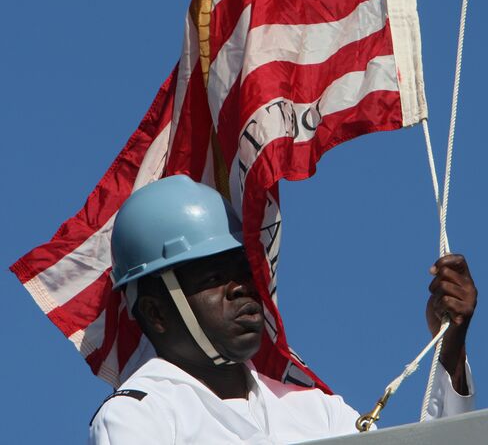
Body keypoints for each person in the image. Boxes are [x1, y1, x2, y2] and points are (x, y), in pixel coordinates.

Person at [89, 175, 477, 444]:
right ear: (157, 314)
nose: (241, 287)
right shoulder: (139, 416)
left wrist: (453, 349)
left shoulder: (317, 411)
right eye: (213, 277)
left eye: (243, 270)